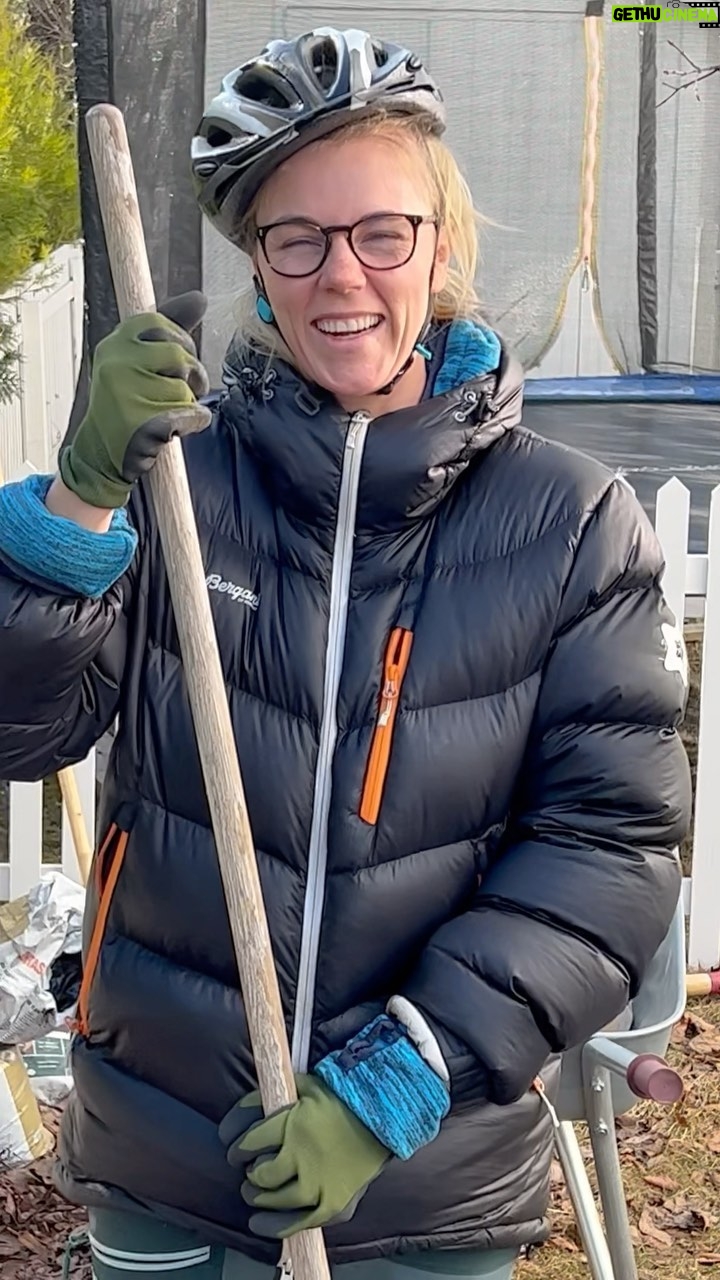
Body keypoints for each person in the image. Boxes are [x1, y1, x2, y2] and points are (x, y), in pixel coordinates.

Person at [0, 26, 691, 1280]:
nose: (342, 276)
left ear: (442, 242)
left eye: (382, 232)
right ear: (258, 267)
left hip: (428, 1176)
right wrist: (83, 498)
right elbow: (25, 727)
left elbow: (608, 848)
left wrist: (398, 1081)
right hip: (166, 1148)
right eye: (297, 239)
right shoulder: (180, 483)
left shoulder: (569, 523)